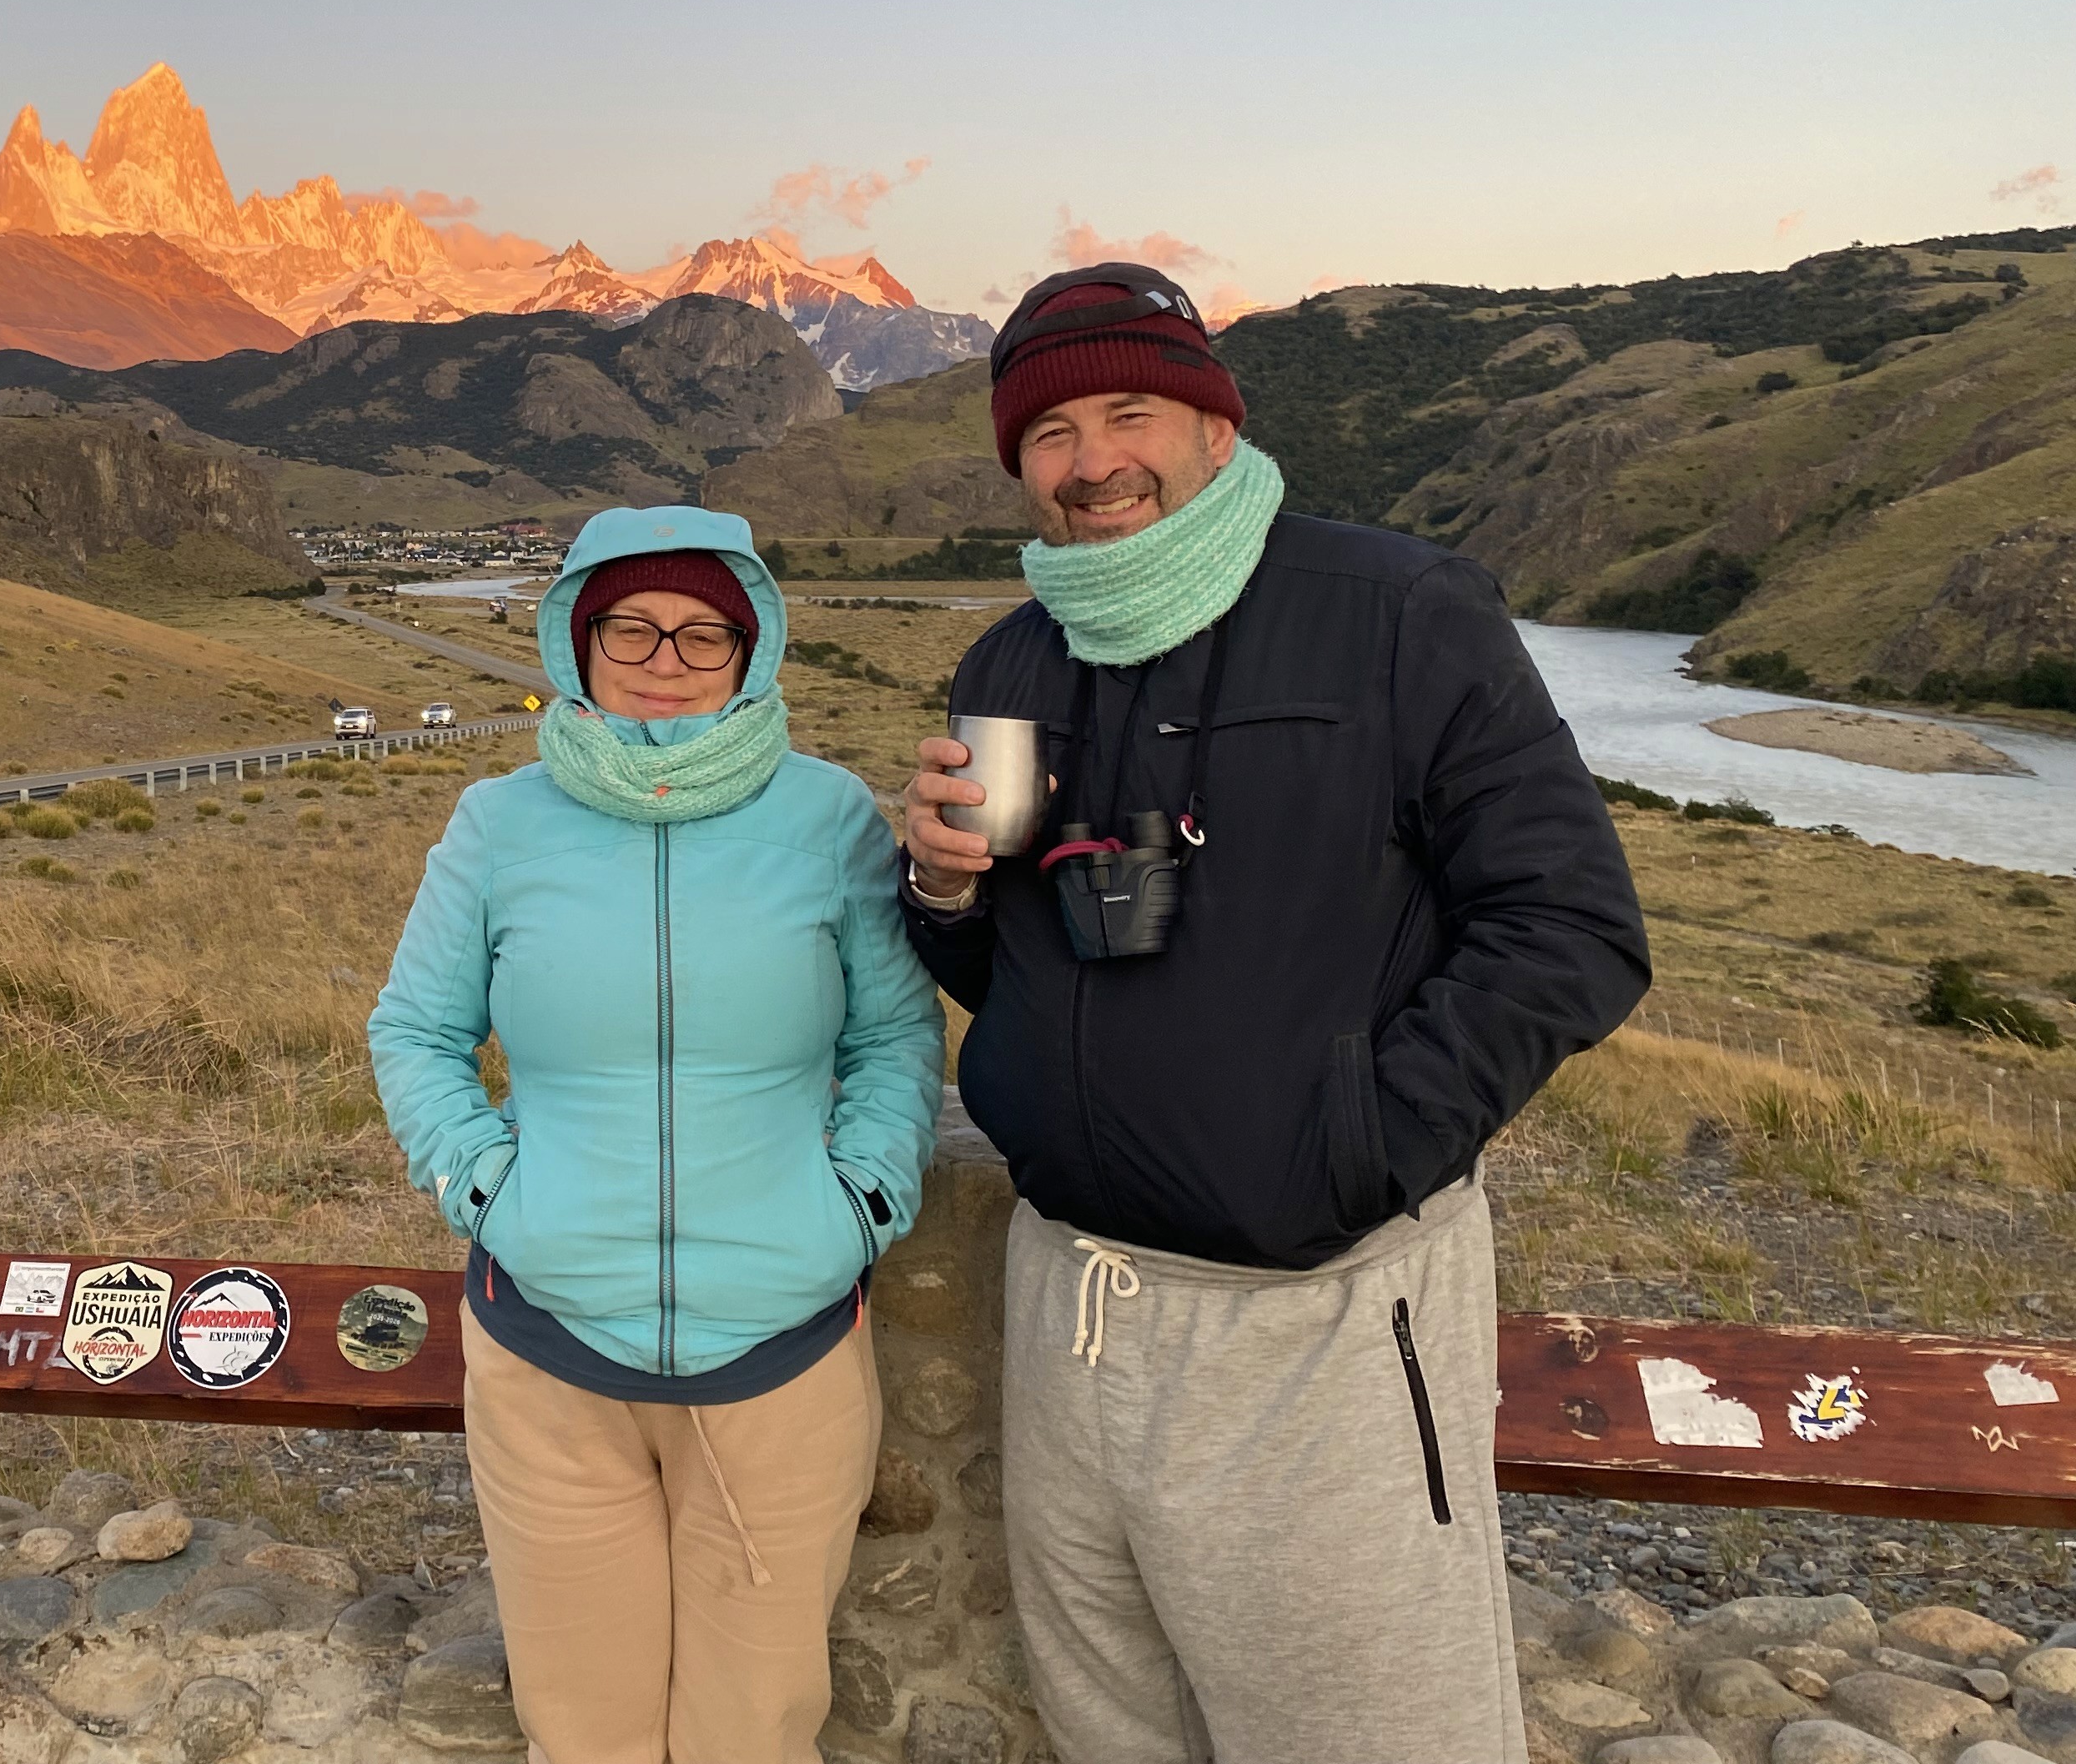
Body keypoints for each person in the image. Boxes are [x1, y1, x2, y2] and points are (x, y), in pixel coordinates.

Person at [896, 262, 1648, 1764]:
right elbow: (1016, 972)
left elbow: (1572, 926)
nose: (1093, 462)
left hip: (1316, 1329)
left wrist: (1353, 1151)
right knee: (1115, 1730)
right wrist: (942, 890)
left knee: (1373, 1735)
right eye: (1050, 434)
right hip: (1069, 1308)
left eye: (1131, 414)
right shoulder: (1017, 657)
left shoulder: (1397, 611)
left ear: (1217, 428)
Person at [371, 505, 945, 1764]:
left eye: (703, 633)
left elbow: (895, 1038)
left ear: (753, 648)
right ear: (576, 642)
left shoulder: (831, 817)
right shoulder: (498, 823)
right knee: (583, 1729)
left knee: (757, 1732)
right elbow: (415, 1031)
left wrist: (859, 1203)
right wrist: (489, 1191)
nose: (665, 658)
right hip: (549, 1357)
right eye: (630, 626)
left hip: (785, 1357)